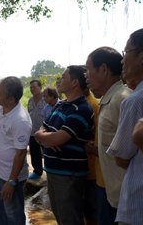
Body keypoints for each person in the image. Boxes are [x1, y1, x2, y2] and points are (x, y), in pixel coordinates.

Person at [34, 65, 94, 225]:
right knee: (61, 218)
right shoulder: (61, 105)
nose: (59, 80)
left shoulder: (81, 109)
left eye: (63, 77)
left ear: (74, 83)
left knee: (70, 219)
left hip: (69, 175)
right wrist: (45, 137)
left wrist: (44, 138)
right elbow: (43, 128)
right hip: (54, 171)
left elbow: (58, 138)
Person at [85, 46, 131, 225]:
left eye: (88, 69)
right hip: (111, 190)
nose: (86, 75)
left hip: (123, 197)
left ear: (103, 69)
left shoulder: (123, 99)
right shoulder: (108, 99)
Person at [0, 77, 32, 225]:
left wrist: (11, 182)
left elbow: (21, 153)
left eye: (0, 93)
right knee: (1, 210)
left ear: (11, 99)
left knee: (13, 214)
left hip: (11, 176)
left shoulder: (20, 120)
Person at [107, 28, 143, 225]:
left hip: (136, 207)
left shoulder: (134, 101)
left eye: (126, 53)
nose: (123, 61)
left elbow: (121, 158)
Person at [83, 87, 99, 225]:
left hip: (91, 169)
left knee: (91, 211)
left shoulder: (93, 105)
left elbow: (96, 139)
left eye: (64, 78)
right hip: (79, 168)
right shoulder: (67, 103)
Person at [27, 80, 46, 180]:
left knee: (46, 151)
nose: (32, 89)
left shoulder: (46, 100)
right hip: (32, 132)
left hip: (44, 132)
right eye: (31, 87)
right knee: (34, 152)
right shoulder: (30, 100)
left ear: (40, 87)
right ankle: (37, 171)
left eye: (34, 87)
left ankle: (48, 169)